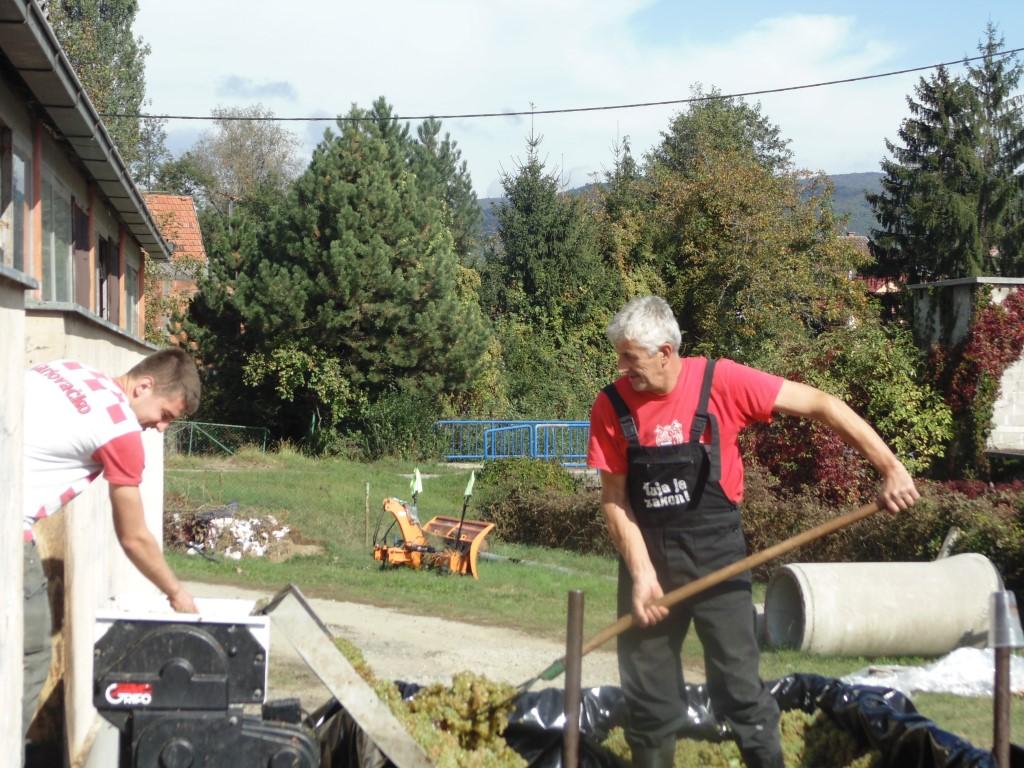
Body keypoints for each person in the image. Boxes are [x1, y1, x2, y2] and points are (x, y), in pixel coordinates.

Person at [587, 296, 919, 768]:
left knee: (740, 691)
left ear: (665, 352)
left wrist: (889, 467)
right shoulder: (612, 404)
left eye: (629, 357)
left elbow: (823, 404)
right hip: (649, 564)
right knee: (649, 699)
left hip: (719, 559)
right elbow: (615, 499)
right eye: (620, 356)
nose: (621, 368)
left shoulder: (720, 381)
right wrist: (641, 574)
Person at [21, 347, 202, 746]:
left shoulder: (69, 370)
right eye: (166, 415)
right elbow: (133, 536)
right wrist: (177, 594)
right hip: (8, 530)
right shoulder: (121, 431)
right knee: (29, 656)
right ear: (143, 386)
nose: (161, 428)